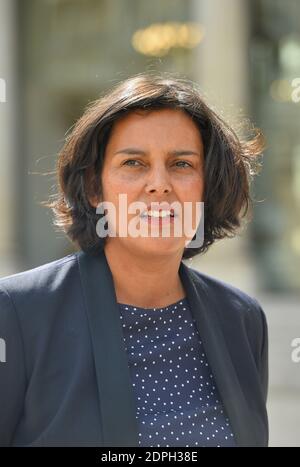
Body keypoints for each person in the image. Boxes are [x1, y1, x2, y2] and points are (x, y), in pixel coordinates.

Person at [0, 73, 268, 447]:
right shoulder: (17, 312)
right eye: (134, 163)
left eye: (181, 164)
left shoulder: (242, 319)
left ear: (207, 188)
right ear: (96, 188)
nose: (159, 184)